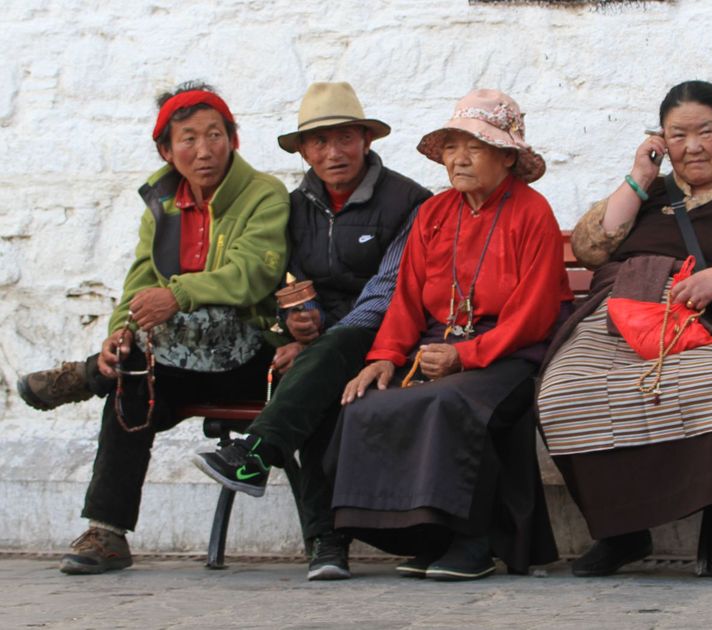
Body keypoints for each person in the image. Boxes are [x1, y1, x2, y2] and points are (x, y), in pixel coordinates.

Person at [16, 81, 290, 574]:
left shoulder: (263, 194)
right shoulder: (163, 201)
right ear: (166, 149)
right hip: (174, 361)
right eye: (188, 139)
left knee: (134, 369)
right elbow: (141, 278)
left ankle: (84, 377)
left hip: (249, 359)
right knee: (130, 380)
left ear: (234, 139)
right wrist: (119, 333)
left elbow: (255, 274)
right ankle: (107, 533)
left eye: (214, 135)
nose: (203, 150)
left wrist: (179, 295)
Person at [537, 80, 712, 579]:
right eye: (678, 135)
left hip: (707, 318)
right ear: (662, 139)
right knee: (562, 390)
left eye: (706, 131)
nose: (694, 146)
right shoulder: (649, 191)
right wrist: (640, 176)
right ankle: (620, 532)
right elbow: (592, 247)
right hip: (620, 315)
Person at [327, 89, 573, 581]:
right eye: (452, 146)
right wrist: (385, 357)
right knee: (367, 403)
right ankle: (426, 536)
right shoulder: (434, 214)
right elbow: (407, 297)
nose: (458, 159)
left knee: (449, 402)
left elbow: (534, 312)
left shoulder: (532, 212)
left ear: (507, 157)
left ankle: (473, 542)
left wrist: (466, 356)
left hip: (512, 353)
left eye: (475, 147)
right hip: (439, 346)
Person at [192, 82, 432, 581]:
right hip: (322, 347)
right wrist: (292, 330)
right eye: (319, 142)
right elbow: (283, 284)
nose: (333, 152)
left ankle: (260, 457)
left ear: (366, 140)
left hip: (386, 336)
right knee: (312, 388)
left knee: (324, 364)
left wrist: (317, 342)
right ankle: (325, 543)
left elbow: (388, 291)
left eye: (345, 138)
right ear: (303, 150)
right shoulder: (292, 205)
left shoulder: (410, 201)